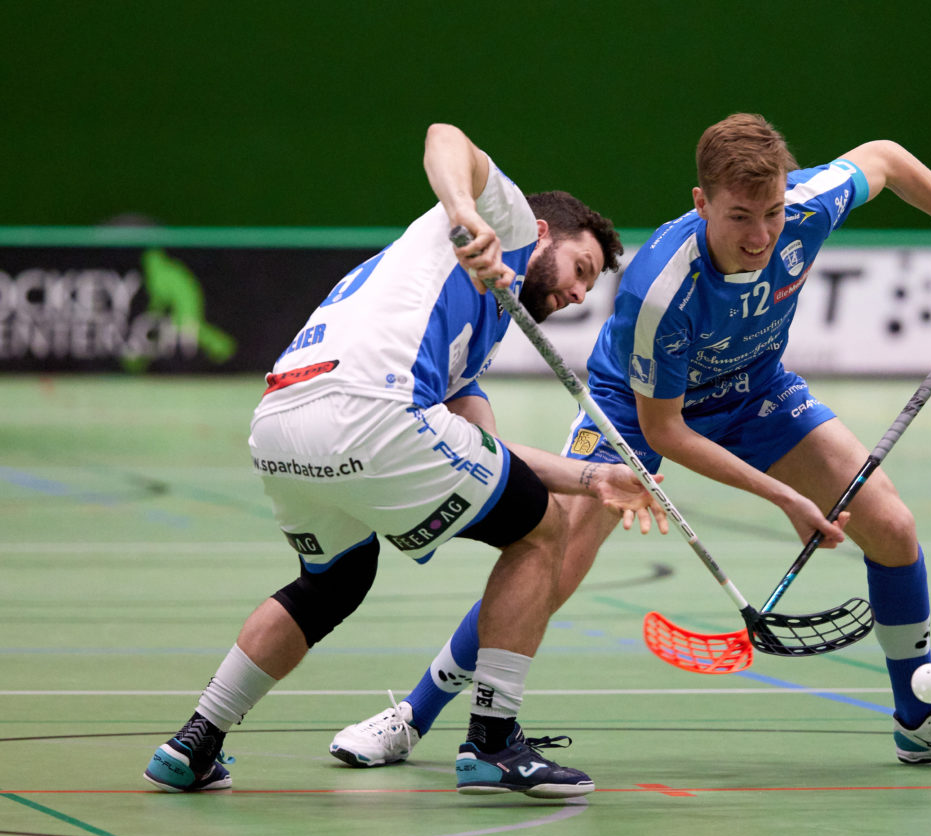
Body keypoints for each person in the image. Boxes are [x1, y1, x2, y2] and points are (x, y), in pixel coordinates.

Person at [331, 112, 931, 770]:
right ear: (701, 203)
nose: (760, 236)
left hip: (755, 388)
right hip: (635, 407)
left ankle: (919, 716)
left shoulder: (810, 206)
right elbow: (666, 429)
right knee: (553, 558)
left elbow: (885, 158)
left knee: (892, 525)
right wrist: (784, 496)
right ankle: (414, 716)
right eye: (739, 218)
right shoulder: (659, 289)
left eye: (772, 214)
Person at [142, 123, 670, 800]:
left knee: (333, 581)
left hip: (282, 422)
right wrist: (466, 213)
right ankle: (492, 741)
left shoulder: (466, 331)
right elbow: (444, 136)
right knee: (541, 530)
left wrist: (598, 478)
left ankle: (196, 739)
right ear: (543, 233)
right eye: (581, 270)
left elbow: (493, 456)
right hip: (375, 406)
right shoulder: (502, 220)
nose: (576, 294)